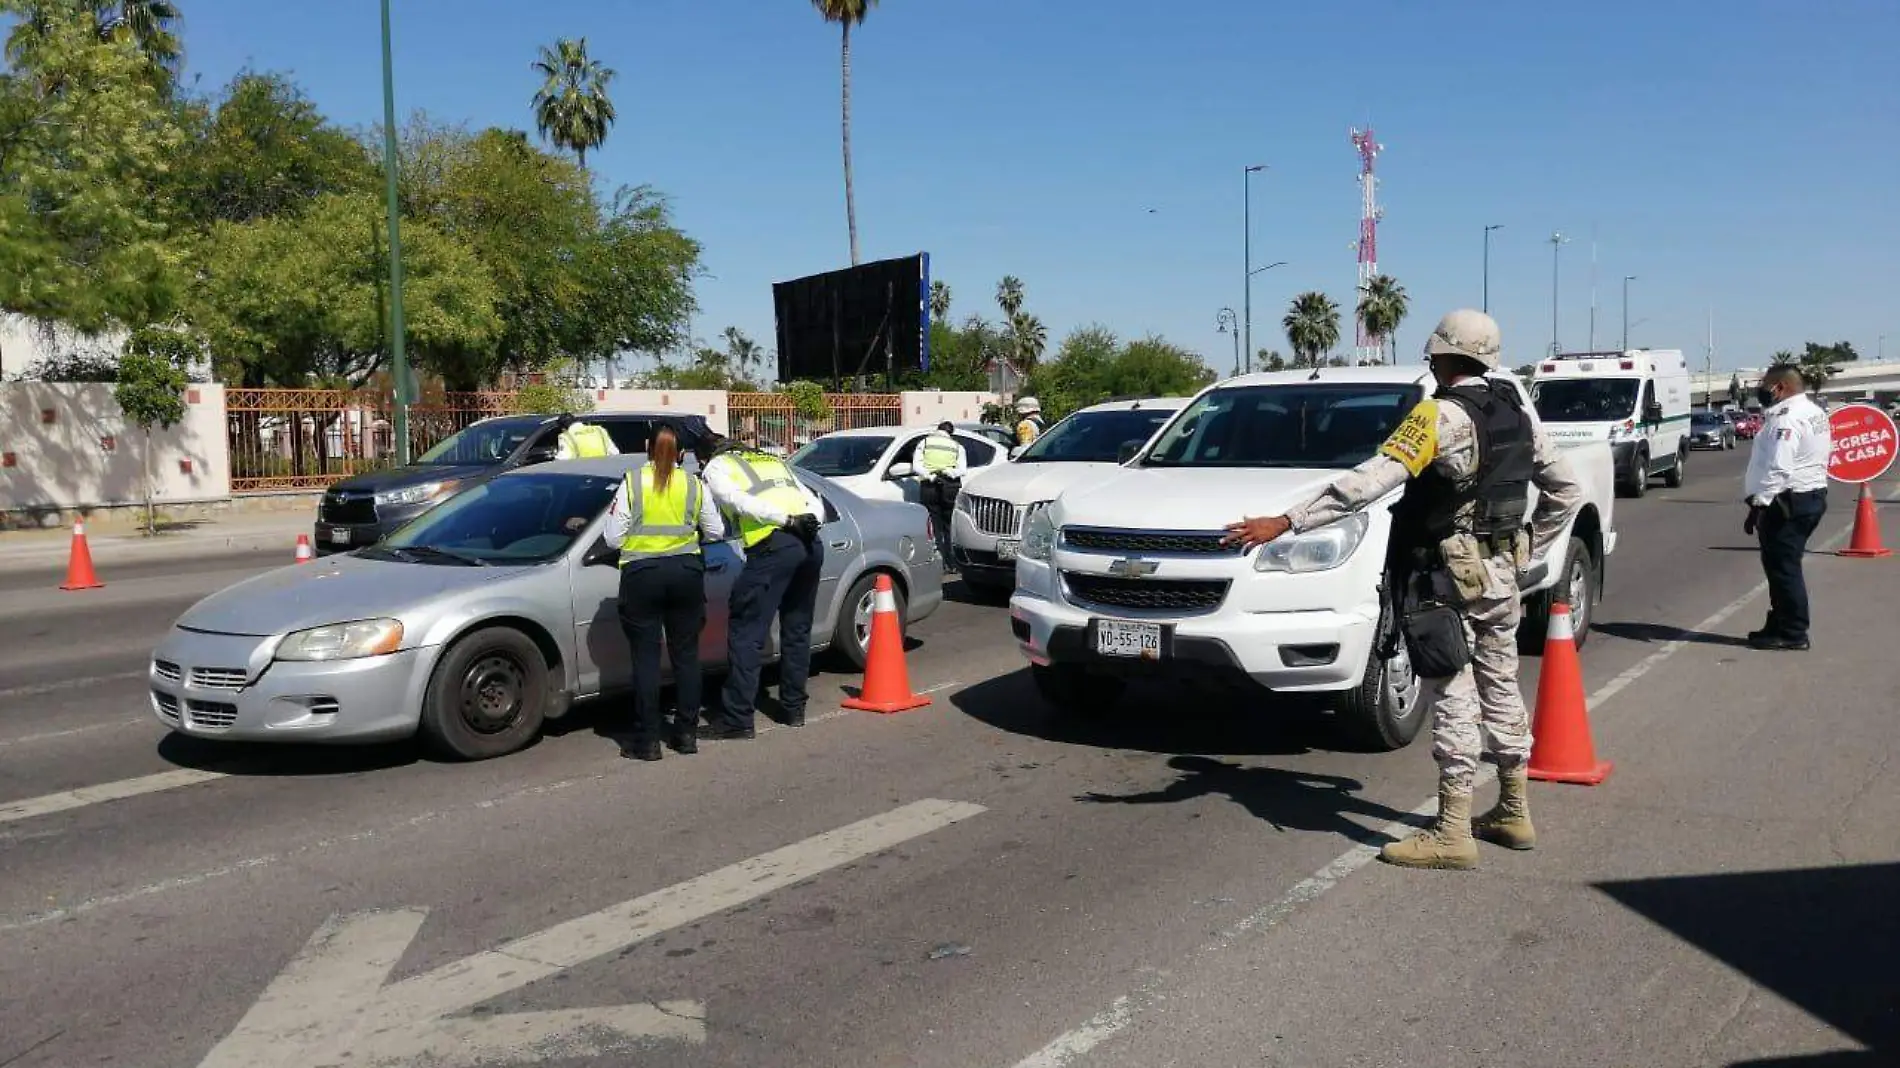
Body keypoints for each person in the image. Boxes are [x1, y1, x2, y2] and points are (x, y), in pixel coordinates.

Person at [1222, 309, 1585, 871]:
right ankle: (1513, 809)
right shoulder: (1517, 410)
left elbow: (1371, 480)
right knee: (1502, 680)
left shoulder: (1438, 416)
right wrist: (1529, 548)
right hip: (1501, 573)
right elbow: (1566, 488)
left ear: (1443, 356)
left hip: (1448, 576)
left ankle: (1452, 830)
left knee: (1453, 691)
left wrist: (1286, 522)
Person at [600, 426, 723, 761]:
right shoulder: (694, 485)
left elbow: (612, 538)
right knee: (686, 657)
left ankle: (649, 741)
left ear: (646, 448)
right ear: (682, 453)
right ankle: (686, 735)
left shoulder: (633, 482)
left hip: (642, 576)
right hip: (685, 574)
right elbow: (716, 530)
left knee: (646, 660)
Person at [697, 431, 826, 738]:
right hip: (810, 544)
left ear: (705, 457)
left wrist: (784, 520)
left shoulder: (717, 467)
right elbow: (810, 497)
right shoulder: (770, 460)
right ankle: (794, 709)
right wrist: (809, 520)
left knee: (746, 633)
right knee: (797, 629)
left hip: (774, 547)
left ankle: (737, 719)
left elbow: (735, 501)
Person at [1742, 365, 1831, 651]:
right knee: (1778, 566)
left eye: (1765, 385)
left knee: (1784, 568)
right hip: (1807, 496)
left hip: (1789, 500)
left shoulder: (1787, 420)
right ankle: (1779, 622)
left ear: (1780, 387)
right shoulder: (1813, 412)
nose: (1762, 391)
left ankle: (1793, 632)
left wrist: (1760, 503)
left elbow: (1780, 467)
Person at [916, 421, 967, 569]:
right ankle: (951, 563)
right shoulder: (957, 446)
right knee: (949, 524)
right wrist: (948, 472)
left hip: (929, 485)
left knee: (933, 524)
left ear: (937, 430)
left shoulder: (924, 443)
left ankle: (938, 561)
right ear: (951, 433)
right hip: (950, 485)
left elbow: (916, 466)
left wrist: (930, 475)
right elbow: (962, 470)